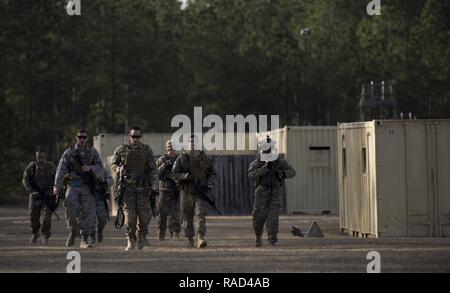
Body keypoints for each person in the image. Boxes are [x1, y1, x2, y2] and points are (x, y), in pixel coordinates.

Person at [53, 129, 102, 248]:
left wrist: (90, 168)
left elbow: (100, 167)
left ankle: (85, 238)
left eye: (84, 137)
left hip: (87, 186)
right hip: (73, 185)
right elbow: (61, 169)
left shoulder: (92, 152)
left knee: (89, 213)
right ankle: (73, 230)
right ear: (76, 138)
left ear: (87, 139)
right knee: (70, 210)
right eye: (80, 137)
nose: (82, 139)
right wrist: (56, 186)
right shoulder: (69, 153)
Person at [110, 126, 157, 251]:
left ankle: (141, 235)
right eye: (133, 136)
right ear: (129, 136)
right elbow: (113, 164)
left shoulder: (146, 150)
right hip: (128, 188)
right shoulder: (121, 150)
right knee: (130, 218)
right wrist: (119, 169)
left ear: (141, 137)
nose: (135, 139)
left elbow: (153, 169)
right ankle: (130, 240)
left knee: (145, 217)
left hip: (143, 188)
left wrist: (154, 184)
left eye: (138, 136)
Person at [248, 136, 296, 247]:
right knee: (258, 216)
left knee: (273, 217)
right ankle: (258, 236)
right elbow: (251, 174)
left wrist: (282, 174)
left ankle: (272, 240)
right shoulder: (258, 162)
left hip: (275, 191)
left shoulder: (279, 161)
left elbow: (292, 172)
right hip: (261, 191)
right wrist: (264, 168)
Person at [172, 134, 216, 248]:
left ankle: (200, 237)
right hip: (186, 192)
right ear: (187, 144)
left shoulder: (205, 158)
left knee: (200, 215)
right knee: (188, 217)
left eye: (195, 142)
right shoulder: (182, 159)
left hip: (200, 193)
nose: (192, 144)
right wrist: (185, 176)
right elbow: (174, 174)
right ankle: (190, 238)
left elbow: (213, 174)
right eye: (190, 142)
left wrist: (209, 185)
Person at [22, 148, 57, 244]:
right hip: (35, 195)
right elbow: (25, 179)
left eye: (42, 158)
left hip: (47, 195)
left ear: (45, 157)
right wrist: (30, 191)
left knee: (47, 216)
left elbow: (58, 179)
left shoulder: (51, 167)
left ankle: (45, 234)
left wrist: (55, 190)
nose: (40, 160)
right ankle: (35, 233)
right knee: (33, 216)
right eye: (38, 158)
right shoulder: (31, 167)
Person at [156, 140, 181, 241]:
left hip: (176, 190)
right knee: (162, 214)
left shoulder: (179, 160)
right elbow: (156, 174)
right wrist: (164, 165)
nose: (169, 148)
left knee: (174, 214)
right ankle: (161, 234)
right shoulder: (161, 159)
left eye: (171, 146)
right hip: (163, 190)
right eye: (168, 146)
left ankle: (175, 234)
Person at [90, 165, 113, 244]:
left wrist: (105, 182)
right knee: (90, 218)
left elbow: (110, 180)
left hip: (100, 196)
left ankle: (100, 230)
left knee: (103, 218)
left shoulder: (102, 169)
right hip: (88, 196)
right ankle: (91, 237)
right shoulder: (83, 169)